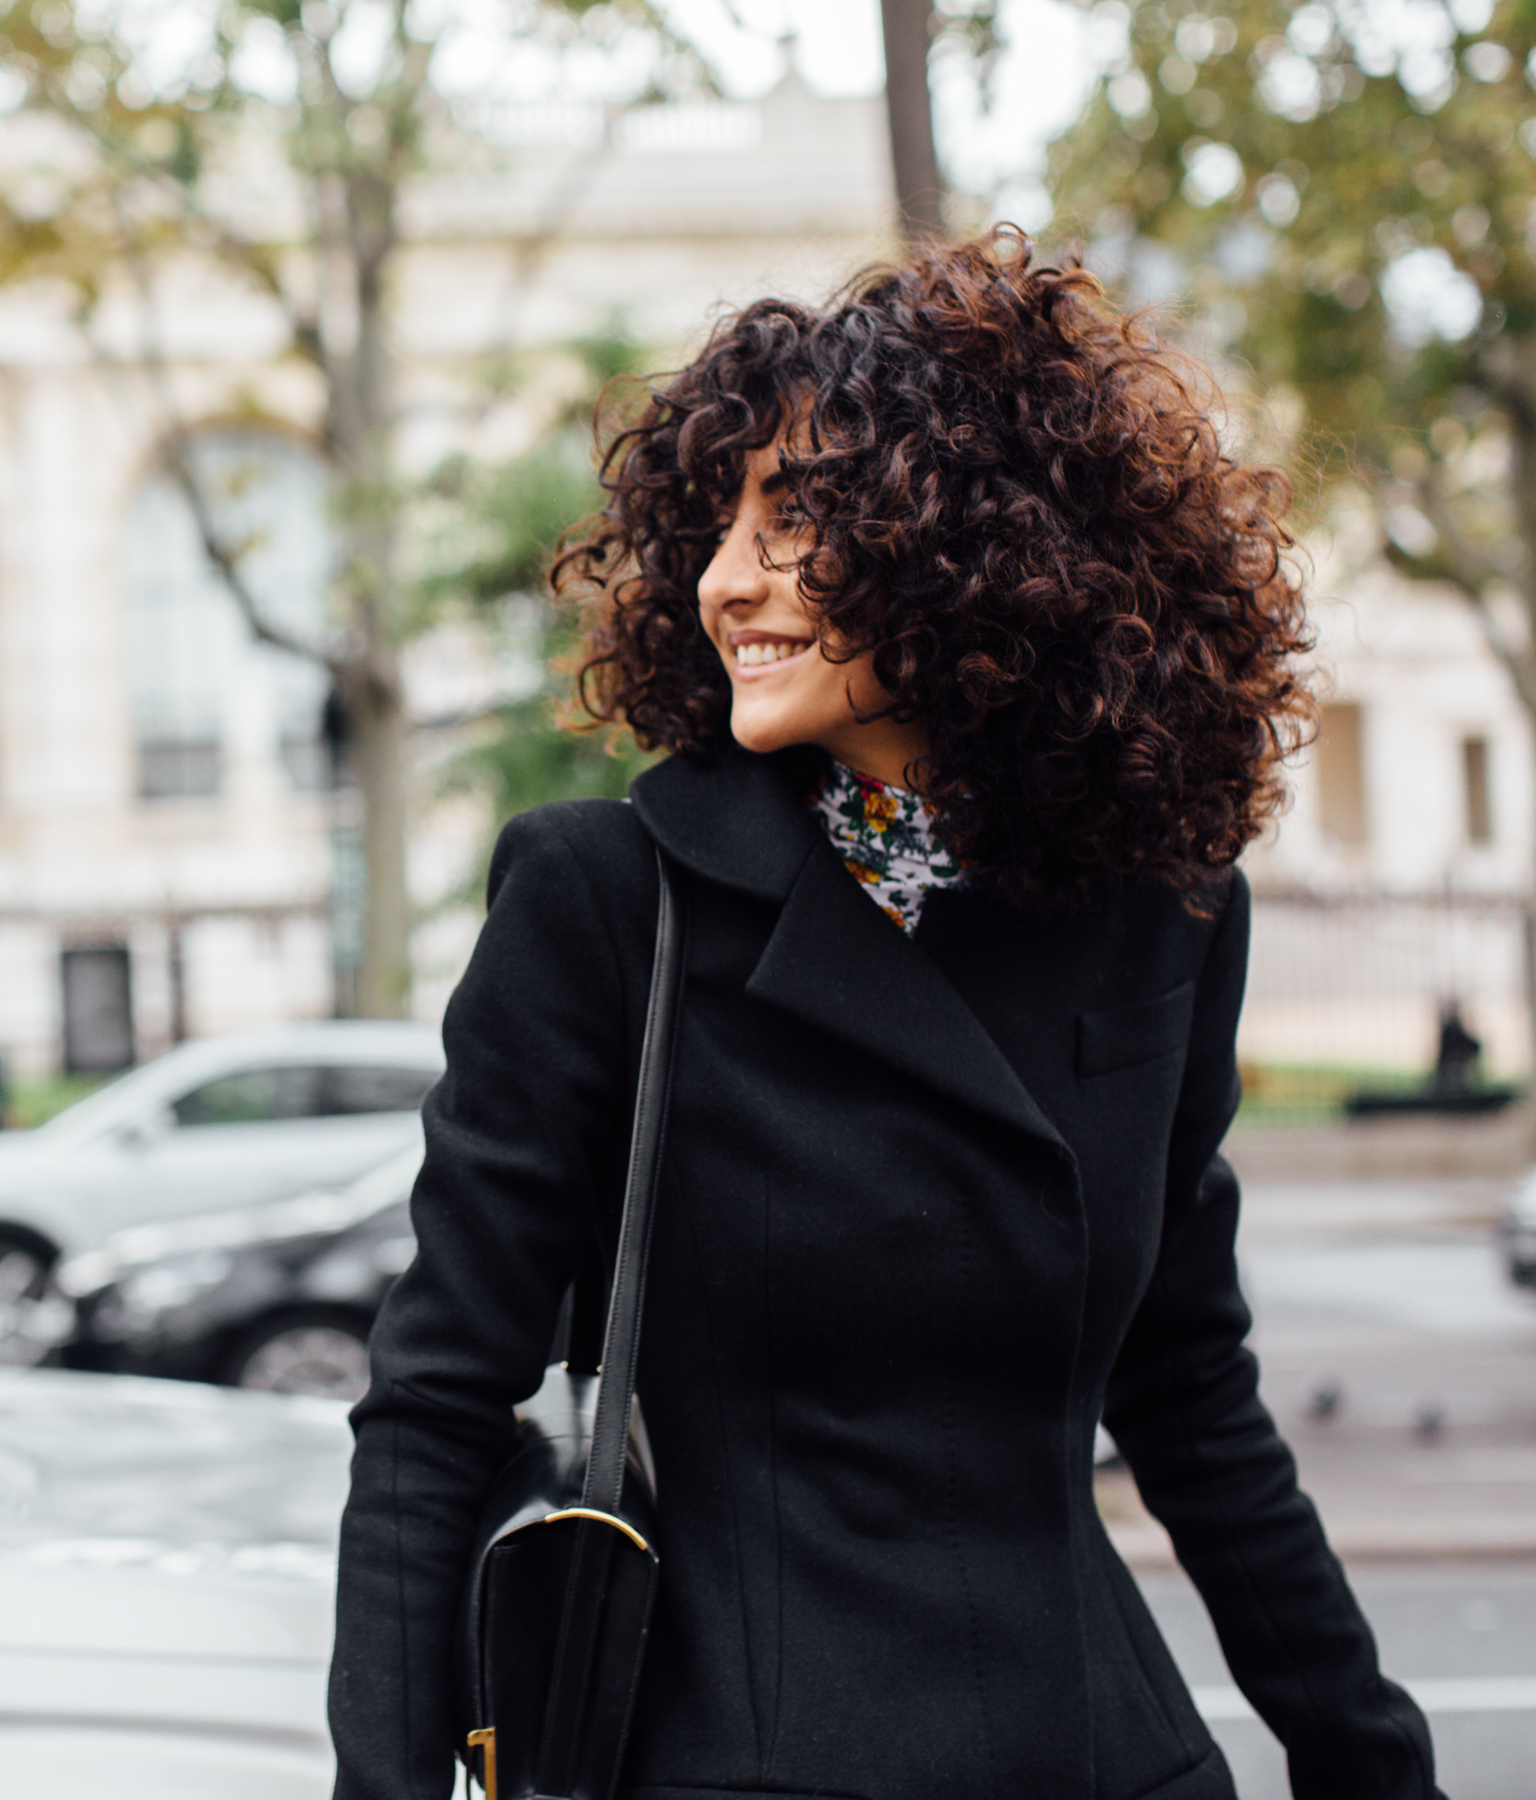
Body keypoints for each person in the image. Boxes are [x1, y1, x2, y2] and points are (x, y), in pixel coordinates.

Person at [327, 230, 1441, 1800]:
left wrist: (1374, 1765)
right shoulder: (606, 905)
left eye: (795, 523)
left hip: (1107, 1759)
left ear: (974, 546)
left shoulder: (1167, 910)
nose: (725, 581)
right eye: (716, 526)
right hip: (752, 1764)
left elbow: (1189, 1389)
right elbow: (434, 1409)